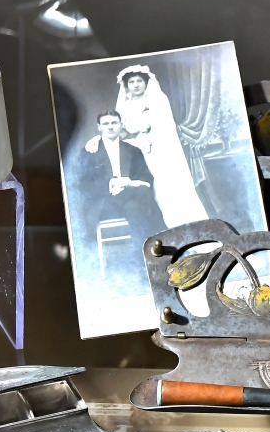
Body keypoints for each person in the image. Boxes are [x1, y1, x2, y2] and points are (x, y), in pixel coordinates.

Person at [111, 64, 209, 227]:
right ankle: (157, 225)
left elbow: (166, 126)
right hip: (139, 151)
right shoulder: (125, 105)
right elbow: (119, 132)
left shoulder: (158, 99)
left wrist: (150, 137)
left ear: (146, 82)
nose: (136, 85)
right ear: (126, 85)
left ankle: (179, 222)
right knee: (147, 183)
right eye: (131, 82)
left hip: (161, 149)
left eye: (139, 81)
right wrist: (135, 138)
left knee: (166, 183)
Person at [79, 110, 166, 282]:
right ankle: (160, 252)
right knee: (141, 199)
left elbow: (146, 177)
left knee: (135, 206)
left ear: (121, 125)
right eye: (106, 124)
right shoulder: (89, 151)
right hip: (105, 204)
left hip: (131, 201)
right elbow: (84, 185)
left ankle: (144, 265)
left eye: (114, 123)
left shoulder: (133, 150)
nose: (110, 127)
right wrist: (109, 184)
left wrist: (129, 182)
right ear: (99, 127)